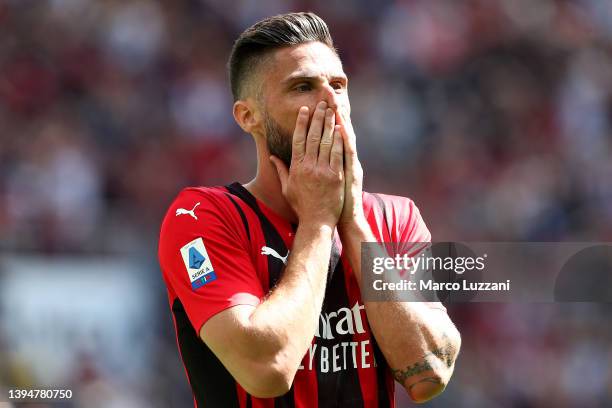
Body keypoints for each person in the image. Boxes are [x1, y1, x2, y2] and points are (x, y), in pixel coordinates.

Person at [158, 12, 461, 407]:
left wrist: (351, 220)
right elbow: (267, 370)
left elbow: (430, 373)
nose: (330, 100)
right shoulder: (202, 217)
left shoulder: (394, 218)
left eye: (338, 85)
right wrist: (318, 221)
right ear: (247, 116)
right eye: (303, 87)